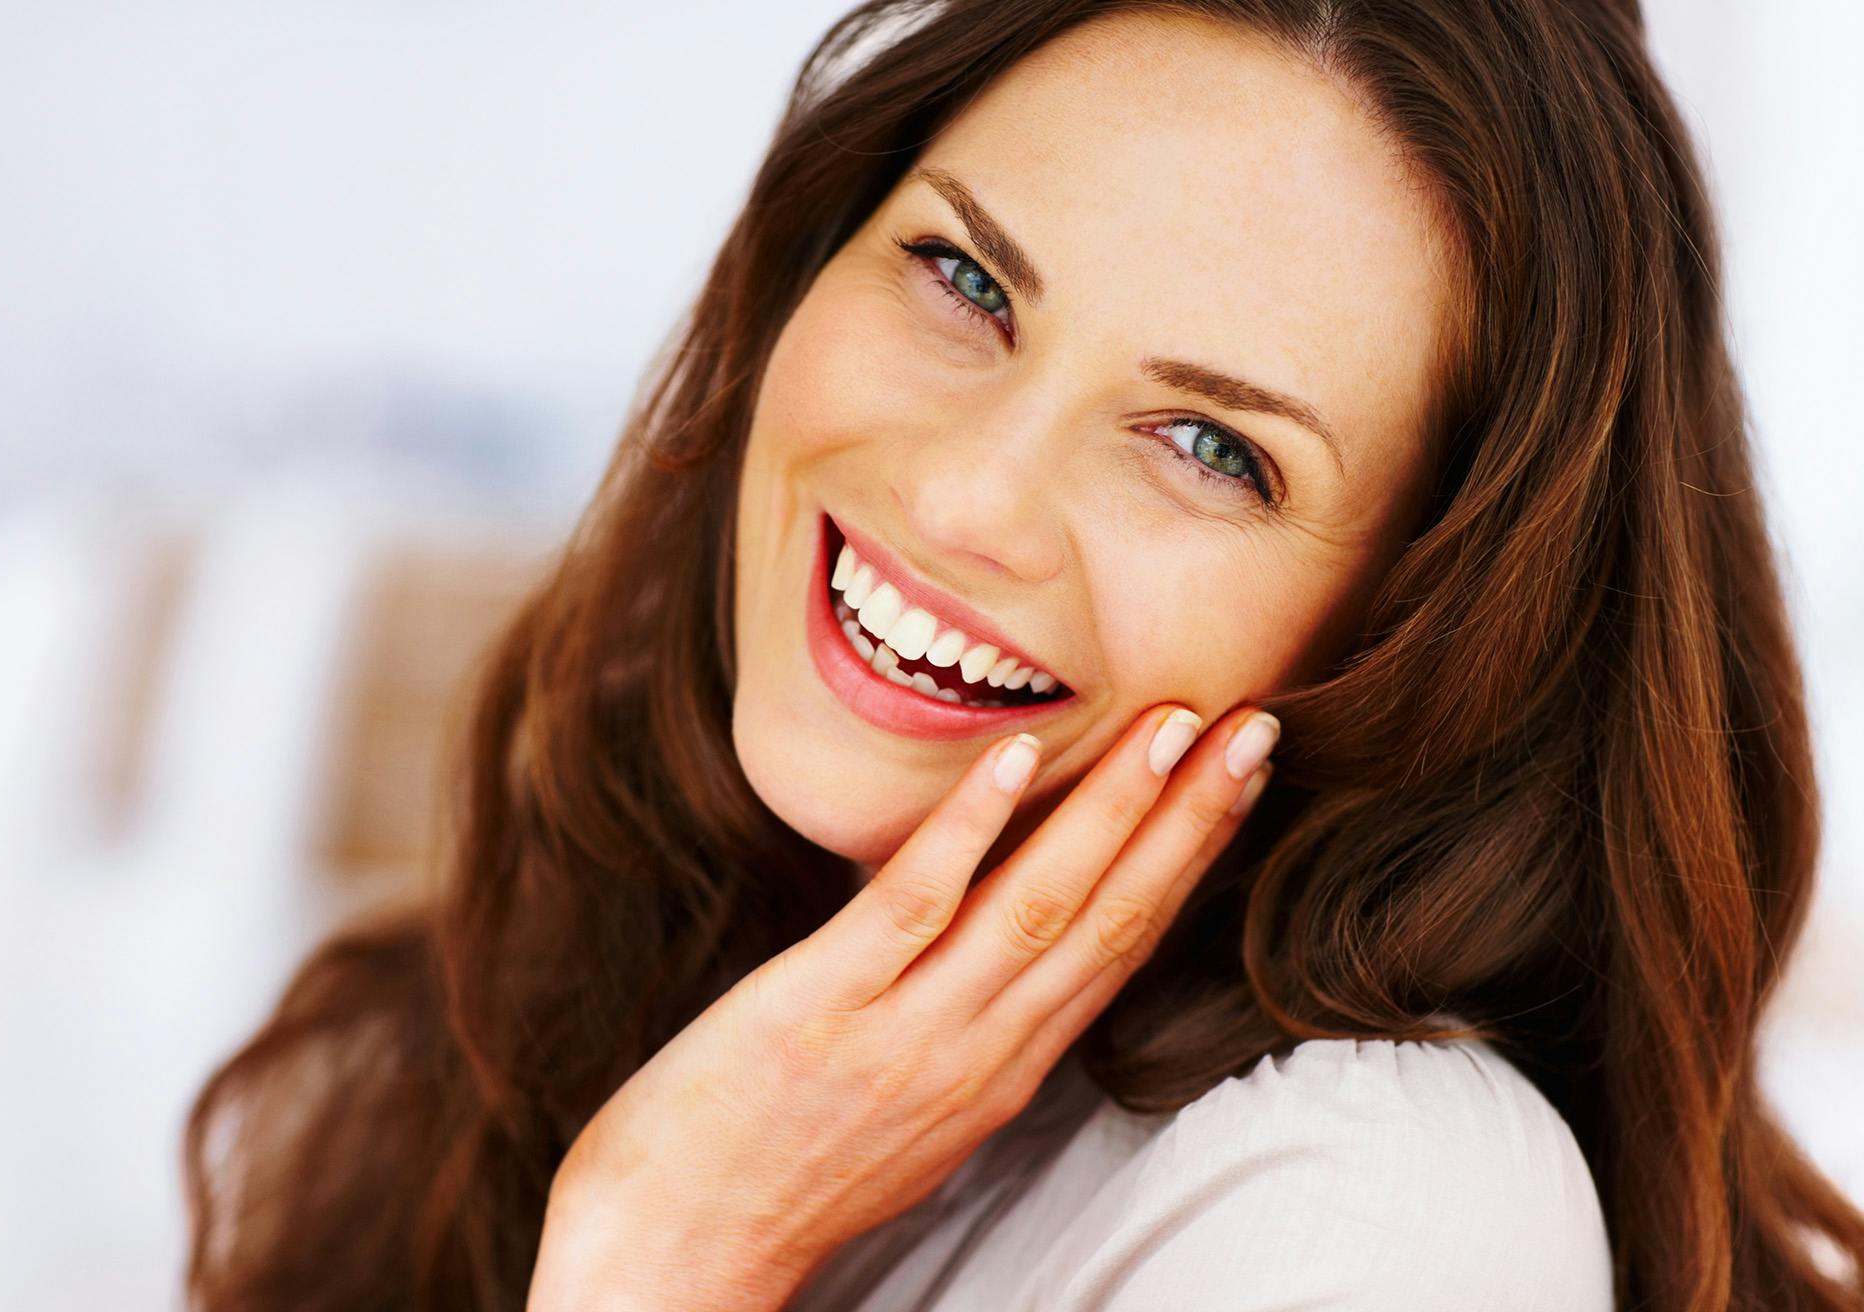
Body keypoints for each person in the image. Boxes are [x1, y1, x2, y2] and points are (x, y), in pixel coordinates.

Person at [181, 2, 1864, 1309]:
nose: (966, 490)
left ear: (1426, 636)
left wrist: (662, 1250)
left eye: (1212, 448)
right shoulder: (525, 988)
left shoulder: (1380, 1202)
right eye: (963, 275)